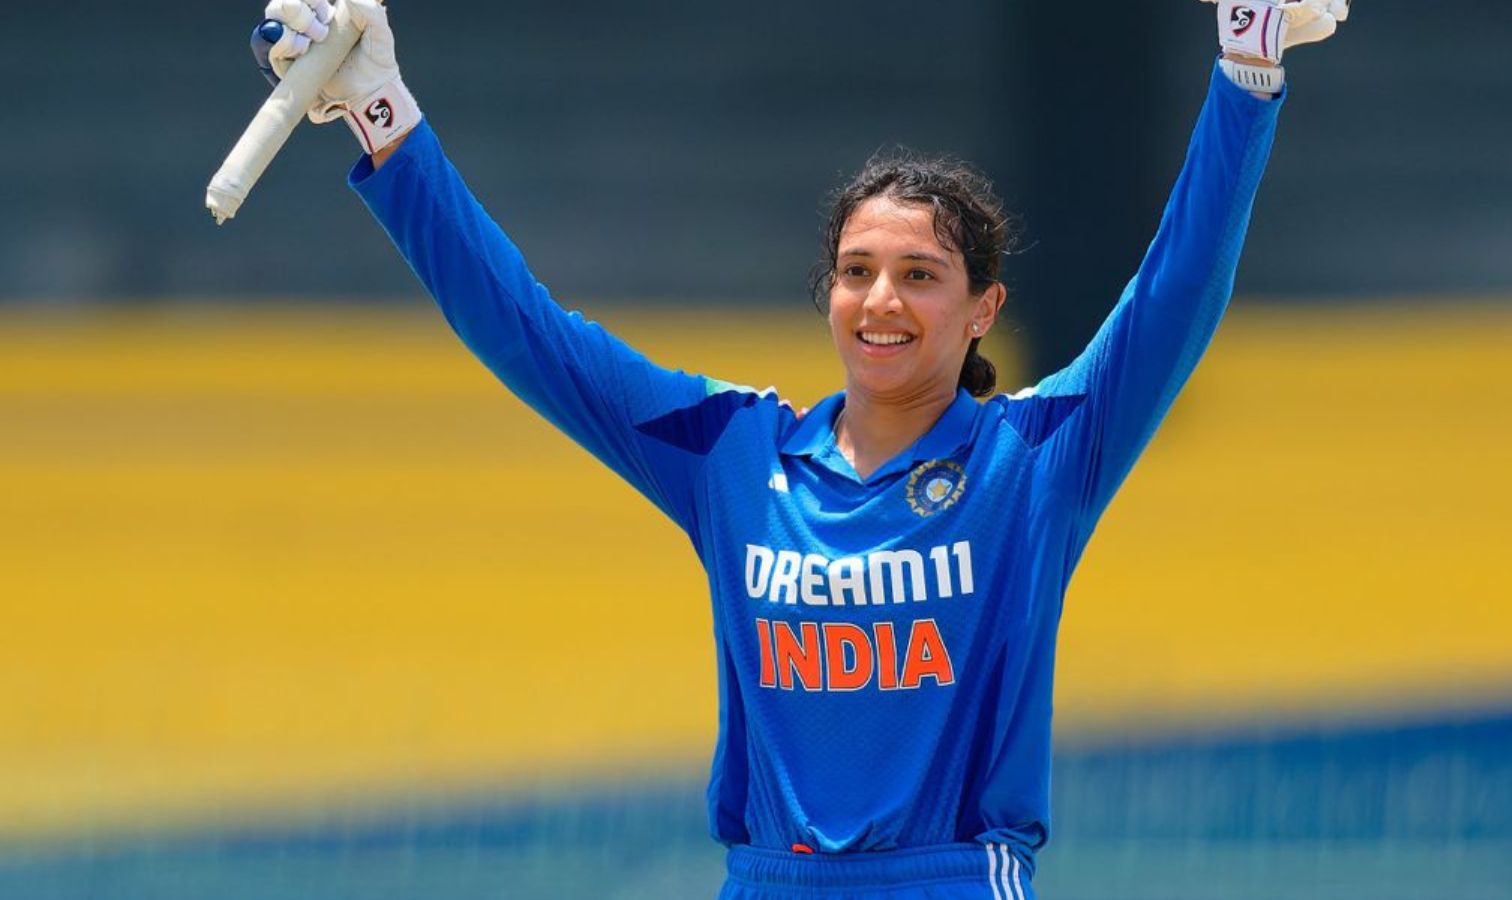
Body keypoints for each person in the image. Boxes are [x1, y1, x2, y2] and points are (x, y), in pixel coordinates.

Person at [249, 1, 1351, 896]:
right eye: (856, 272)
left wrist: (1245, 76)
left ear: (984, 310)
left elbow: (1174, 293)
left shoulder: (1033, 460)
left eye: (920, 276)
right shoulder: (731, 452)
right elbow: (527, 332)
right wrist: (385, 117)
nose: (882, 300)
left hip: (951, 881)